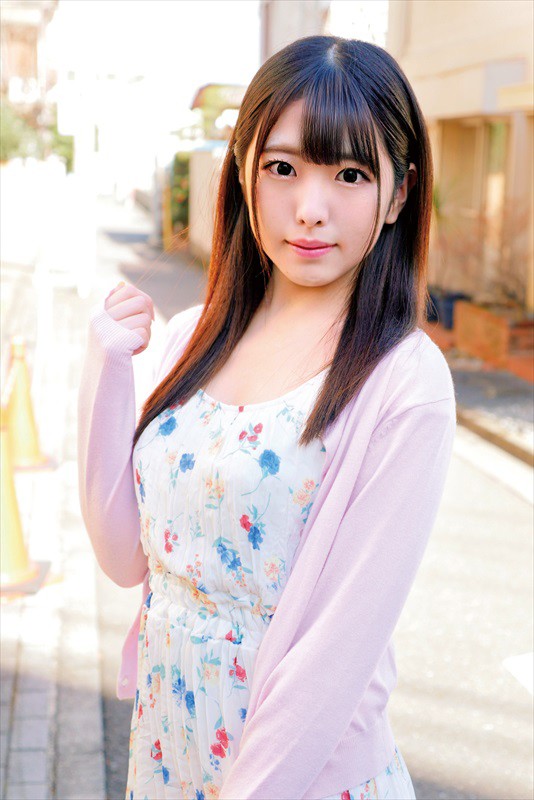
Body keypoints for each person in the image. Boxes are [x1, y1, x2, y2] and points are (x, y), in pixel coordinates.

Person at [77, 35, 457, 800]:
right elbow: (126, 559)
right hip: (168, 759)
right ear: (244, 168)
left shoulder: (403, 382)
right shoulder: (191, 339)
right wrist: (106, 370)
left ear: (399, 194)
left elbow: (335, 658)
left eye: (350, 175)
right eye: (283, 168)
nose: (310, 209)